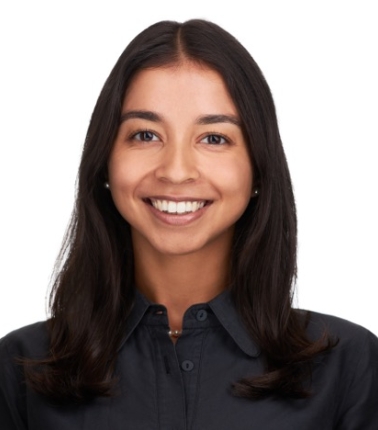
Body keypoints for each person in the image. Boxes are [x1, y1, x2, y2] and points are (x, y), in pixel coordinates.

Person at [0, 19, 377, 429]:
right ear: (105, 162)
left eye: (214, 138)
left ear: (258, 169)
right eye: (145, 135)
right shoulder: (20, 371)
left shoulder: (348, 366)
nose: (176, 171)